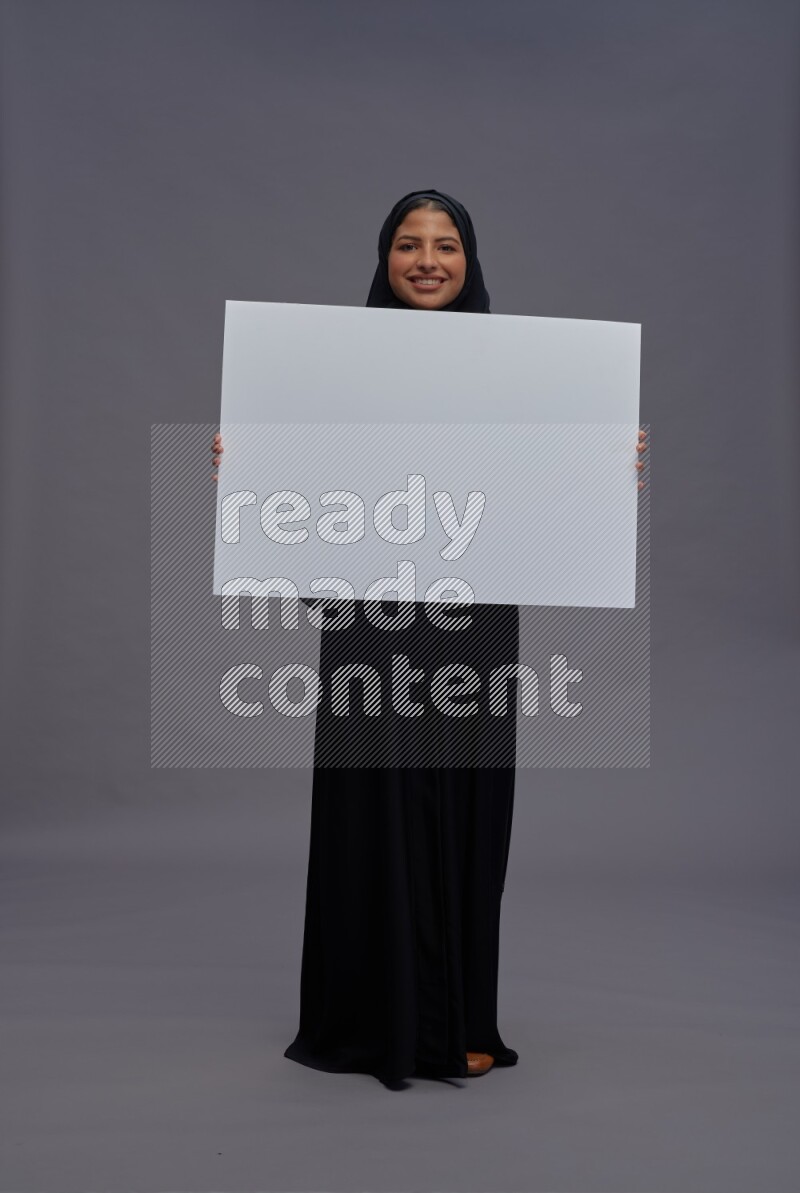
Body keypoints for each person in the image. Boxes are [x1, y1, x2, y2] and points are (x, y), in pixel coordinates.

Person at [211, 189, 648, 1088]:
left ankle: (459, 1020)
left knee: (469, 810)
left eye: (445, 245)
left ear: (469, 260)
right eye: (408, 244)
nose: (426, 260)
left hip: (474, 623)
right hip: (370, 620)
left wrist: (610, 466)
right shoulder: (333, 371)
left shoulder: (523, 375)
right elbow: (300, 497)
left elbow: (549, 499)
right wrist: (246, 462)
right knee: (371, 810)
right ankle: (369, 1022)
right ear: (384, 259)